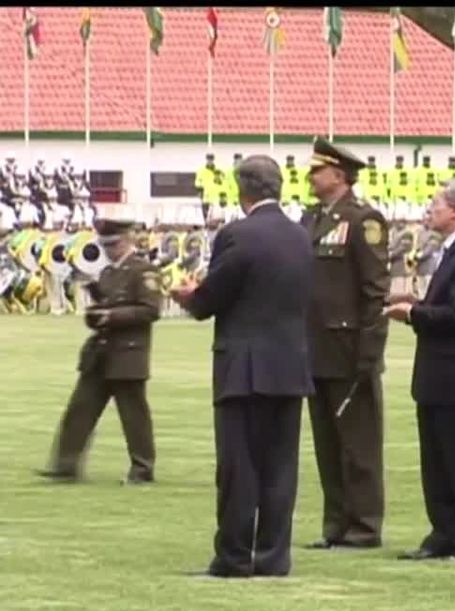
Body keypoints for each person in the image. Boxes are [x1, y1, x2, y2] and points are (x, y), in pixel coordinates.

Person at [171, 156, 314, 577]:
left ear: (242, 189)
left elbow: (214, 296)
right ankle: (273, 556)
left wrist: (191, 297)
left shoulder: (238, 234)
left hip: (245, 365)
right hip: (289, 363)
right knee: (280, 466)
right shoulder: (300, 235)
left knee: (239, 466)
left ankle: (234, 555)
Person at [385, 178, 455, 560]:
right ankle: (445, 531)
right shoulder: (453, 252)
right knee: (437, 461)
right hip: (440, 378)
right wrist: (417, 303)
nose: (430, 210)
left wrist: (413, 313)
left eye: (436, 203)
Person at [302, 138, 391, 548]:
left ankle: (364, 524)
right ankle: (335, 523)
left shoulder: (363, 220)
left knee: (359, 444)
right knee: (327, 442)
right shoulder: (311, 220)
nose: (310, 176)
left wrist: (370, 353)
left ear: (338, 175)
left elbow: (375, 292)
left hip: (349, 347)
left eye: (318, 170)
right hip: (315, 347)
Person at [38, 218, 161, 484]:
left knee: (134, 416)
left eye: (114, 244)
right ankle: (66, 464)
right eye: (105, 245)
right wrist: (96, 314)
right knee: (80, 410)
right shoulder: (107, 274)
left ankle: (142, 468)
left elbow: (151, 310)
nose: (108, 250)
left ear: (127, 240)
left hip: (128, 354)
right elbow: (102, 307)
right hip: (101, 354)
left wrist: (112, 316)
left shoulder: (143, 271)